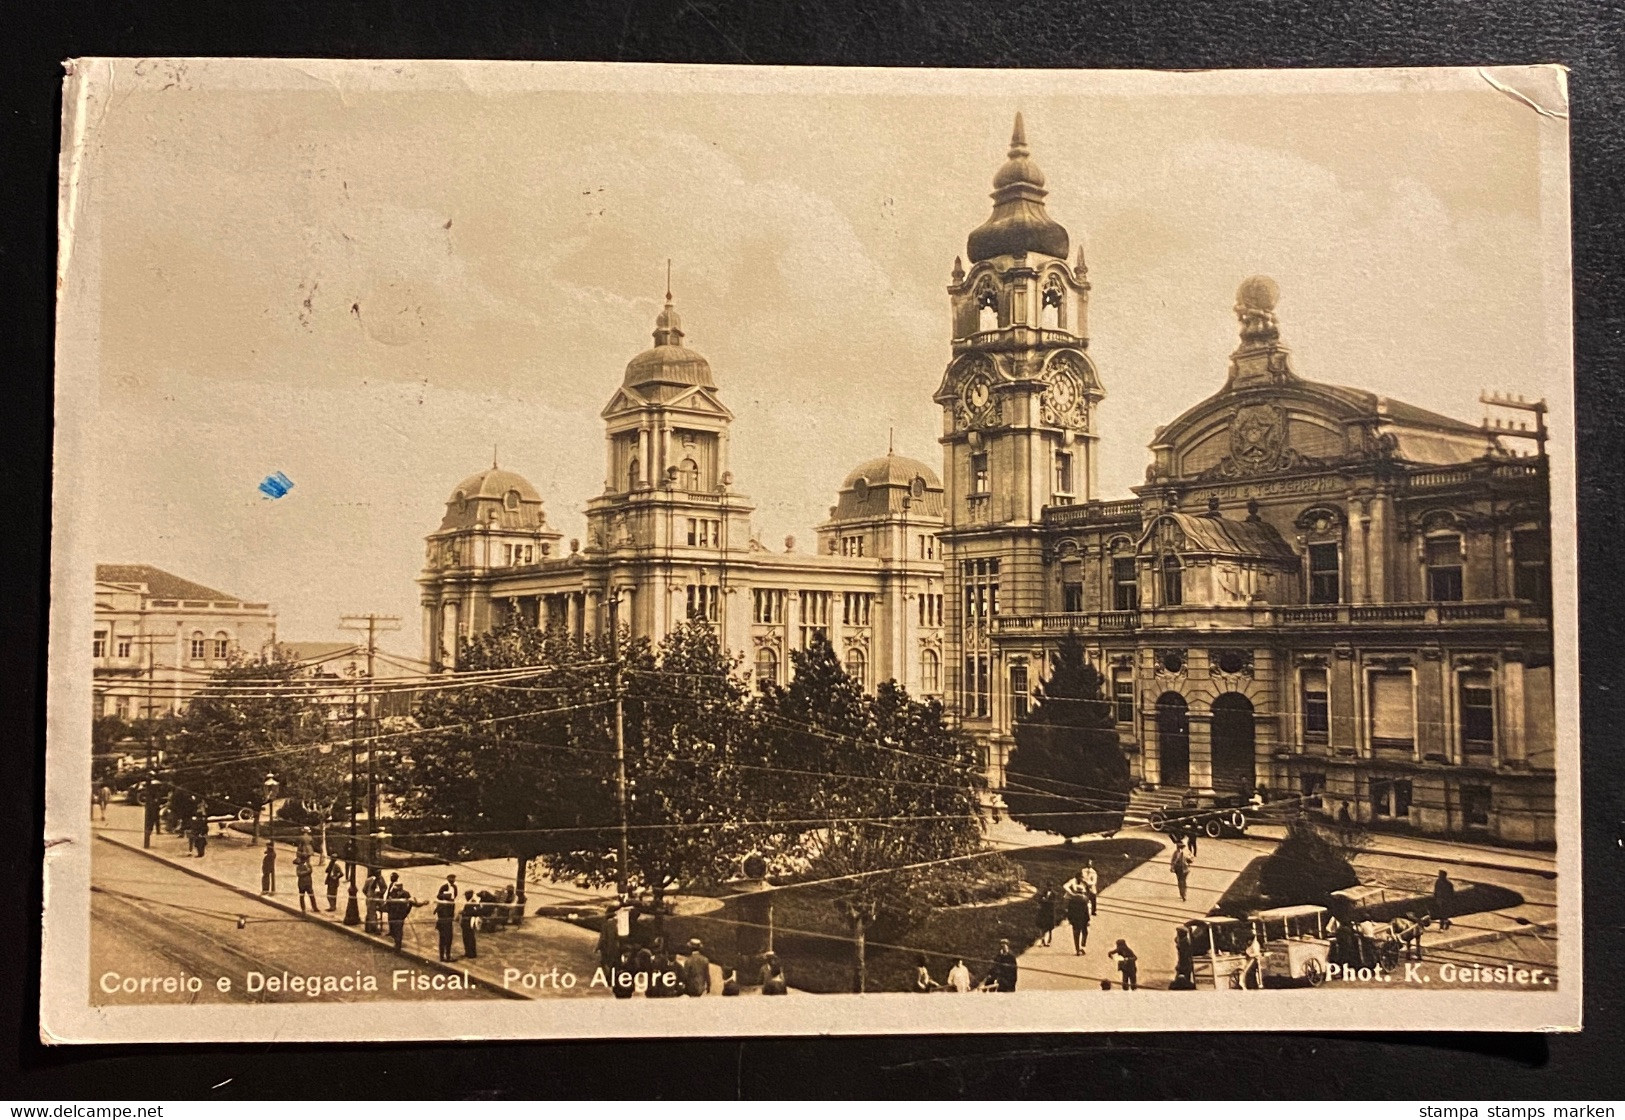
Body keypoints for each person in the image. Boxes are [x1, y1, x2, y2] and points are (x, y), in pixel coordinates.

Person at [384, 873, 424, 951]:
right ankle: (396, 943)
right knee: (396, 929)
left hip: (399, 915)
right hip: (394, 914)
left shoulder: (404, 894)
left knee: (398, 929)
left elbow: (411, 902)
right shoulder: (394, 893)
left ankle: (397, 945)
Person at [1062, 870, 1092, 955]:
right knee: (1085, 932)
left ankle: (1077, 949)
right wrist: (1088, 920)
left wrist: (1070, 919)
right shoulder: (1084, 899)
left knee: (1076, 934)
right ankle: (1083, 945)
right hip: (1083, 919)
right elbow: (1086, 910)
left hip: (1075, 919)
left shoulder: (1072, 900)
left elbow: (1069, 910)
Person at [434, 875, 459, 962]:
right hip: (445, 922)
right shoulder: (444, 886)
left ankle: (444, 956)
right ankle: (445, 957)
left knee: (445, 939)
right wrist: (446, 896)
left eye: (454, 878)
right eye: (451, 878)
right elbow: (438, 895)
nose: (452, 880)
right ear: (448, 879)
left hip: (445, 920)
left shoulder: (454, 887)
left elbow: (455, 895)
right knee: (447, 939)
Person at [597, 903, 622, 973]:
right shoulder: (613, 922)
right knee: (610, 962)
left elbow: (603, 936)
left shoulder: (608, 922)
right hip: (611, 945)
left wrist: (598, 946)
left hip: (607, 945)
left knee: (606, 962)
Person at [459, 889, 481, 960]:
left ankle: (471, 953)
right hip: (466, 922)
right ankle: (468, 952)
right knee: (466, 938)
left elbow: (475, 912)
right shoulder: (469, 902)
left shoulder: (473, 902)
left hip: (469, 922)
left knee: (470, 938)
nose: (465, 897)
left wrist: (464, 913)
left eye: (466, 895)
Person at [363, 867, 386, 934]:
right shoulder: (369, 880)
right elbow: (364, 890)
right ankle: (374, 928)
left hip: (379, 899)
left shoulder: (381, 879)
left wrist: (381, 892)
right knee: (371, 913)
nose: (379, 875)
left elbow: (385, 887)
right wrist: (369, 896)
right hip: (371, 899)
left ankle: (374, 926)